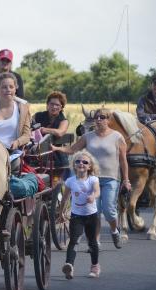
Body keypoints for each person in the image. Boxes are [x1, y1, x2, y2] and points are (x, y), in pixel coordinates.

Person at [52, 108, 132, 249]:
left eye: (102, 117)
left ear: (108, 120)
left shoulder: (117, 137)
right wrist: (57, 149)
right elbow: (73, 149)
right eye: (97, 117)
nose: (99, 119)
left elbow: (123, 161)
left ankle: (114, 231)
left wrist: (126, 180)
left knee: (109, 210)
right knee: (95, 212)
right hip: (91, 179)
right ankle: (95, 242)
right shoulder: (88, 137)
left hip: (111, 179)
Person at [61, 151, 101, 279]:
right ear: (74, 165)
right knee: (73, 241)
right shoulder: (70, 181)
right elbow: (65, 197)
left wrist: (93, 196)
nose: (81, 164)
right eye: (78, 161)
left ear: (90, 166)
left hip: (91, 216)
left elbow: (97, 191)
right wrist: (61, 211)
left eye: (85, 162)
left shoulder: (93, 179)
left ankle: (95, 266)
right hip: (76, 216)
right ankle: (69, 266)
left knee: (92, 242)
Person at [33, 91, 70, 171]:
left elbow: (60, 133)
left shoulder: (64, 121)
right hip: (37, 152)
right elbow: (28, 126)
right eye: (51, 104)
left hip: (56, 154)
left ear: (61, 107)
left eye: (57, 105)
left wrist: (43, 130)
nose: (54, 107)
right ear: (47, 105)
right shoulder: (38, 116)